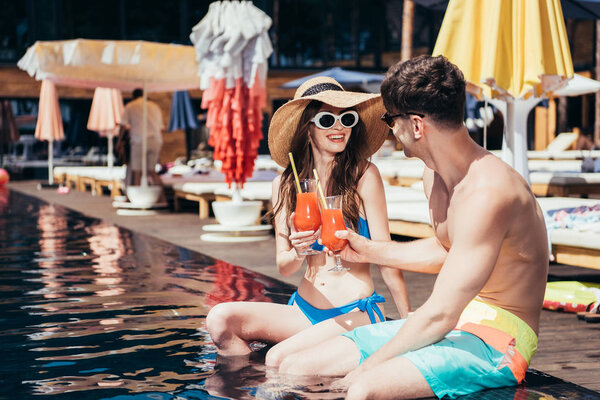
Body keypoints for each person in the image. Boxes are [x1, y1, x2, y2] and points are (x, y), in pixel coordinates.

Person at [276, 56, 549, 400]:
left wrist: (367, 366)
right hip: (455, 321)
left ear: (417, 126)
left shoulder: (488, 192)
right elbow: (448, 249)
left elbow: (441, 315)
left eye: (391, 119)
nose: (390, 129)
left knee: (361, 388)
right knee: (293, 367)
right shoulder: (433, 174)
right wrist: (370, 248)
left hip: (497, 338)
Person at [205, 77, 410, 366]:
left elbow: (387, 258)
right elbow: (284, 266)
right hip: (303, 310)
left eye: (347, 119)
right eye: (327, 119)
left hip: (354, 311)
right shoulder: (285, 185)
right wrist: (298, 251)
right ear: (307, 128)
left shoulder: (364, 175)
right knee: (220, 319)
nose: (339, 127)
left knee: (276, 360)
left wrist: (407, 325)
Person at [120, 88, 165, 191]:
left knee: (137, 172)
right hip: (155, 140)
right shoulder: (155, 106)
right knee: (151, 171)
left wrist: (119, 141)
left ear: (133, 96)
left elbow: (123, 126)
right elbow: (161, 128)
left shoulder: (131, 106)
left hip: (139, 140)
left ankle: (137, 197)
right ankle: (162, 198)